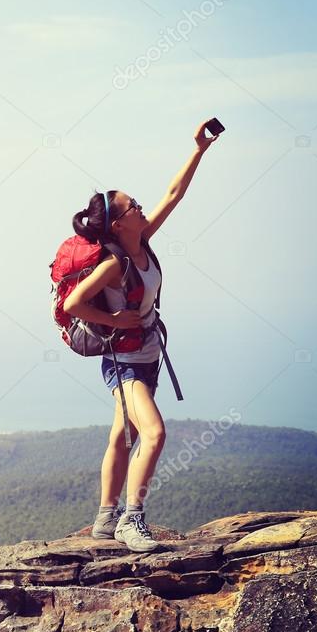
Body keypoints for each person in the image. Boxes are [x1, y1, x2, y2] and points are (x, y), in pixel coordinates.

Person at [63, 120, 219, 552]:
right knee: (153, 433)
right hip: (125, 360)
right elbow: (74, 303)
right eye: (132, 207)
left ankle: (103, 519)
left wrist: (199, 150)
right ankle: (132, 520)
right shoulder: (113, 264)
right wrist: (117, 321)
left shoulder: (142, 241)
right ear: (116, 225)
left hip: (146, 353)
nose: (140, 208)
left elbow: (174, 194)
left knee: (121, 434)